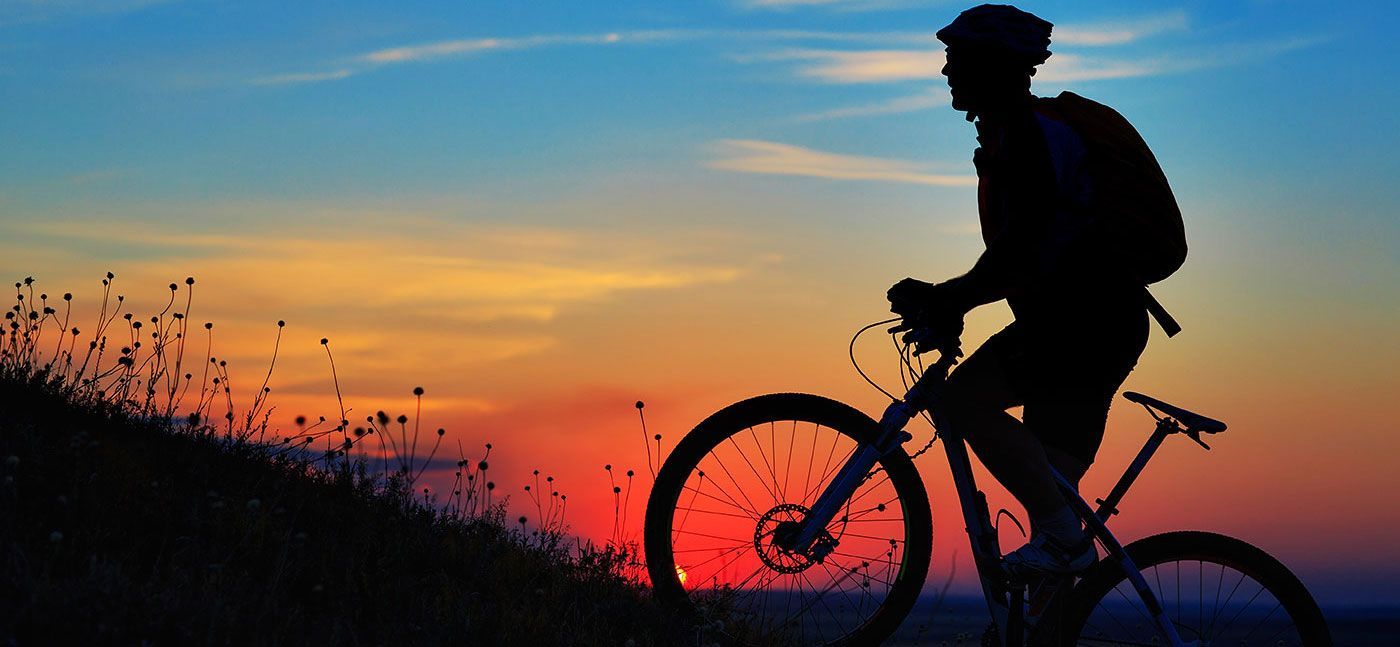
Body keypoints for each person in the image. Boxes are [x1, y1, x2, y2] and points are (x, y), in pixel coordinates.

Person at [887, 4, 1157, 574]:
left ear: (992, 64)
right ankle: (1053, 597)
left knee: (959, 404)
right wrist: (956, 300)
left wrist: (950, 296)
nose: (946, 73)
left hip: (1080, 325)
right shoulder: (1022, 136)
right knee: (1051, 507)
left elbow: (1022, 249)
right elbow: (1024, 254)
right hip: (1099, 323)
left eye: (955, 59)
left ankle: (1064, 542)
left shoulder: (1029, 137)